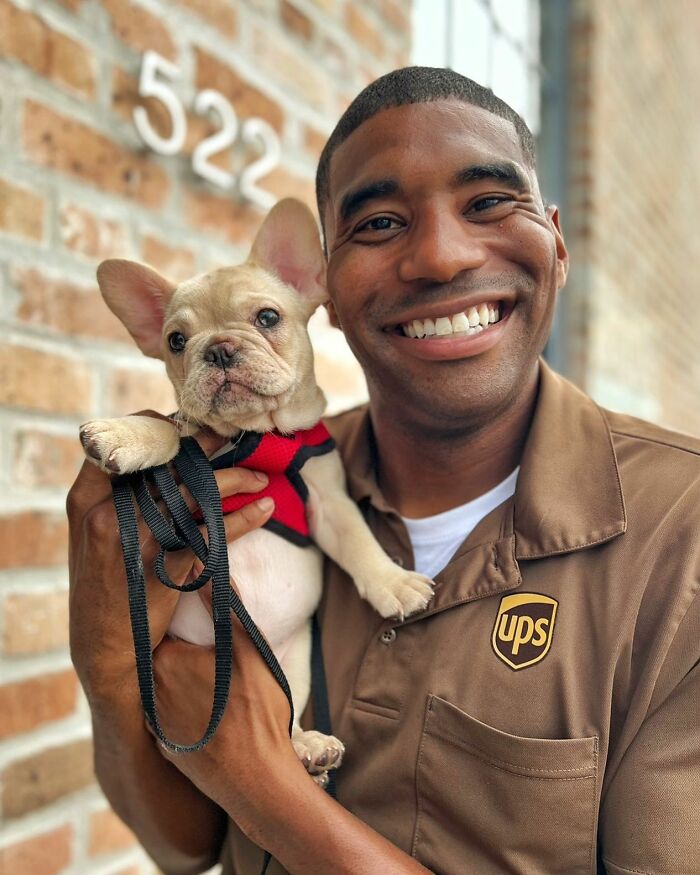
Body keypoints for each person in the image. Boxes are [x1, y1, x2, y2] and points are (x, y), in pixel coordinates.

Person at [67, 67, 700, 875]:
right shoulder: (244, 481)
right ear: (326, 287)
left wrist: (267, 786)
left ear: (557, 245)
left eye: (488, 201)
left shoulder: (681, 537)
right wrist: (107, 661)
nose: (440, 255)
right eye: (380, 222)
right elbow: (182, 846)